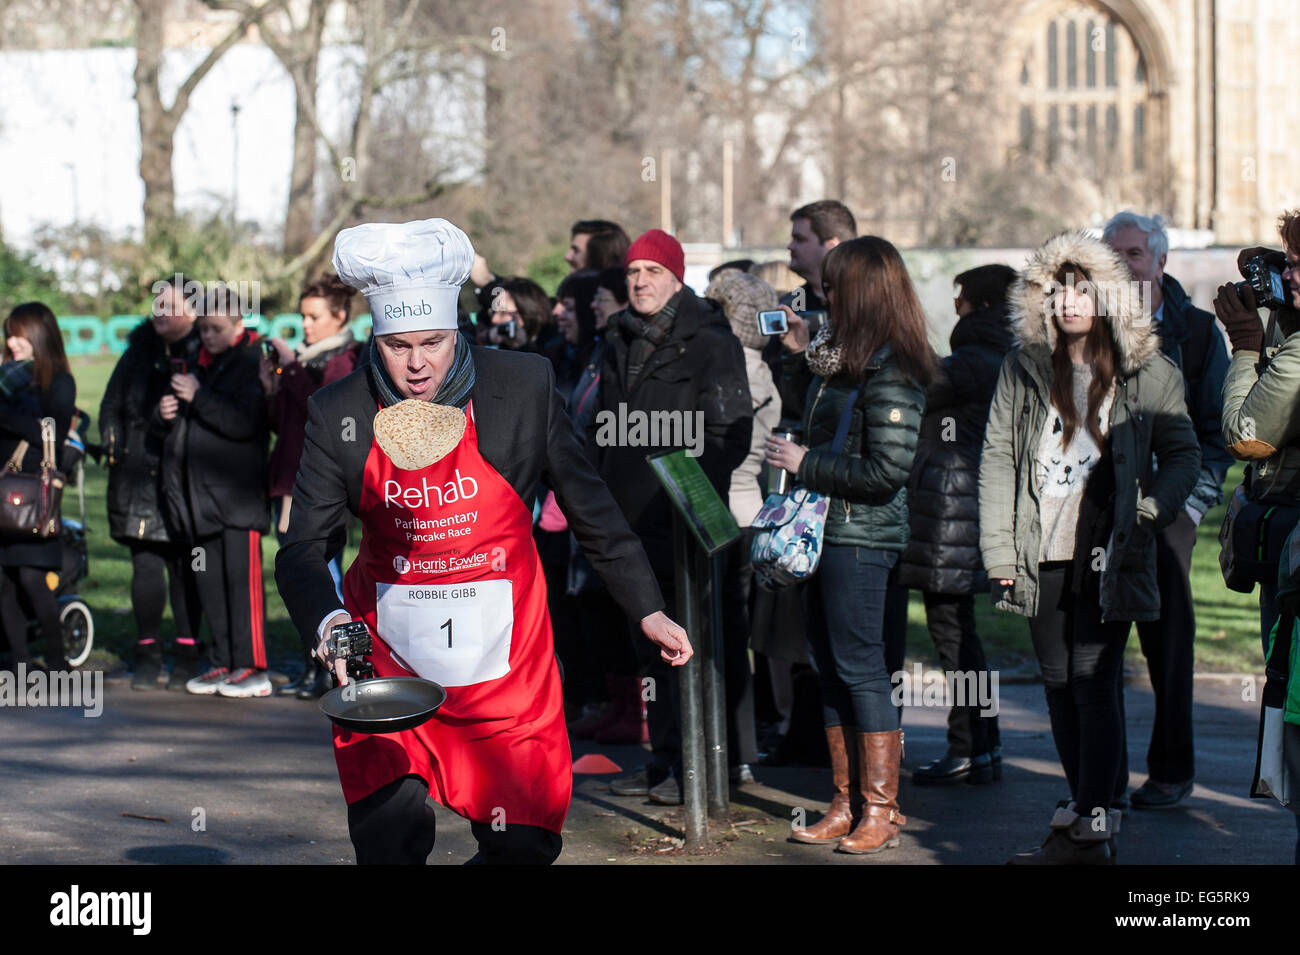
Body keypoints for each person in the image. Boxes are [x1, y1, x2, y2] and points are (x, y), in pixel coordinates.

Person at [275, 217, 691, 865]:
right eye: (398, 346)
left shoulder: (521, 387)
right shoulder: (341, 411)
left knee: (523, 842)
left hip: (506, 667)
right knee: (390, 834)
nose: (417, 365)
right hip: (386, 663)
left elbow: (592, 509)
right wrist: (329, 621)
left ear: (458, 331)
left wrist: (649, 607)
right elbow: (303, 547)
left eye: (434, 343)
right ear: (375, 339)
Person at [980, 231, 1200, 864]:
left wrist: (1152, 509)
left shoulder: (1146, 367)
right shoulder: (1023, 367)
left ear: (1105, 295)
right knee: (1056, 682)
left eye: (1082, 290)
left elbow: (1182, 451)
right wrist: (999, 552)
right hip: (1037, 547)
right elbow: (996, 457)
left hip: (1111, 549)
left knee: (1093, 681)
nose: (1069, 302)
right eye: (1056, 291)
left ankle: (1093, 822)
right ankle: (1083, 814)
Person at [766, 235, 930, 855]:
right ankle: (846, 802)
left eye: (833, 288)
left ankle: (881, 810)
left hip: (861, 540)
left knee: (862, 672)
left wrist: (805, 464)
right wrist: (794, 358)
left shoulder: (895, 368)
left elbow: (887, 472)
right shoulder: (841, 361)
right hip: (826, 536)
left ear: (861, 293)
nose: (822, 297)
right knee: (831, 669)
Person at [594, 228, 753, 805]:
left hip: (684, 521)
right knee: (646, 649)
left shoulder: (710, 339)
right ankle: (662, 760)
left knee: (697, 646)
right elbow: (604, 423)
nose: (639, 282)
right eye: (633, 272)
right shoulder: (615, 336)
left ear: (676, 277)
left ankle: (706, 765)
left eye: (652, 272)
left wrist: (681, 480)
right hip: (625, 521)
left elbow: (731, 432)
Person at [1102, 211, 1232, 810]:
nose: (1123, 264)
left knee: (1169, 646)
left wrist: (1192, 506)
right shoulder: (1086, 331)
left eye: (1133, 253)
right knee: (1094, 648)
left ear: (1159, 262)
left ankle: (1171, 771)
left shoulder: (1200, 333)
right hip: (1100, 508)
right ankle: (1098, 780)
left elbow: (1218, 431)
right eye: (1113, 254)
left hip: (1171, 510)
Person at [896, 264, 1018, 785]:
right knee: (962, 635)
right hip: (971, 511)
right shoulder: (1004, 357)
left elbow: (912, 391)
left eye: (961, 299)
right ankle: (983, 746)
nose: (956, 308)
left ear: (979, 306)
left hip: (950, 513)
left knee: (953, 637)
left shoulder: (971, 362)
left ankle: (968, 745)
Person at [160, 285, 272, 699]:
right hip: (199, 499)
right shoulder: (202, 364)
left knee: (242, 589)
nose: (207, 336)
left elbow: (245, 423)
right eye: (203, 329)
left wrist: (199, 397)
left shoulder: (250, 362)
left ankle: (253, 666)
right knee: (211, 586)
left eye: (216, 329)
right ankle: (223, 660)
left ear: (239, 326)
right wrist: (167, 413)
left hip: (237, 498)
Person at [262, 272, 364, 700]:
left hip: (321, 483)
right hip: (289, 476)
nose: (305, 324)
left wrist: (290, 370)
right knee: (301, 568)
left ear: (339, 317)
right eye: (302, 315)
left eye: (314, 316)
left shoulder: (343, 359)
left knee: (322, 570)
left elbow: (324, 413)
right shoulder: (307, 357)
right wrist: (273, 386)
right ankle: (314, 664)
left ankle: (336, 666)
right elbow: (282, 424)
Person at [101, 277, 204, 690]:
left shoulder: (207, 353)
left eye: (170, 304)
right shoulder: (136, 353)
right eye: (157, 304)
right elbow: (110, 404)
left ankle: (187, 656)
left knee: (187, 568)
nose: (160, 312)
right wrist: (112, 440)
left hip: (189, 479)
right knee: (144, 563)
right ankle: (146, 655)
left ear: (193, 311)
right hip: (138, 477)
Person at [705, 269, 784, 781]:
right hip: (751, 507)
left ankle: (731, 752)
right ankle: (739, 751)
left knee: (724, 638)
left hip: (727, 510)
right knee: (735, 637)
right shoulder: (764, 370)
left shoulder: (733, 369)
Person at [1217, 210, 1300, 653]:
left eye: (1298, 264)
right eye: (1286, 263)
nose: (1290, 276)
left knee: (1286, 693)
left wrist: (1246, 345)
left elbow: (1245, 437)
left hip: (1294, 545)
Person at [0, 303, 76, 673]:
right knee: (5, 581)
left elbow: (50, 432)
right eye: (9, 334)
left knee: (32, 578)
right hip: (3, 489)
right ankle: (19, 661)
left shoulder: (59, 381)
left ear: (39, 335)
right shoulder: (6, 378)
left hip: (34, 493)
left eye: (19, 334)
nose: (12, 342)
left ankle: (58, 660)